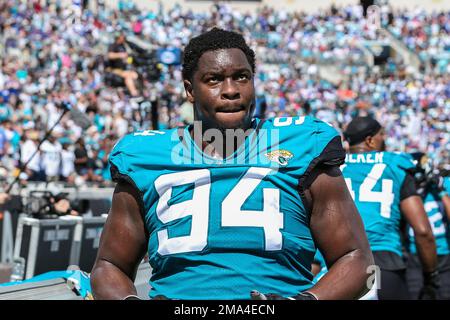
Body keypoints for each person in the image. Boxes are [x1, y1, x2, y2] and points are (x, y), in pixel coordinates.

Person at [91, 28, 373, 300]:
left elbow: (358, 261)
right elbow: (109, 265)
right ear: (190, 90)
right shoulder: (146, 156)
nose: (230, 90)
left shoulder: (302, 145)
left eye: (241, 77)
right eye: (214, 79)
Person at [341, 116, 438, 300]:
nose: (384, 139)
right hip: (384, 262)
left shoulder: (335, 167)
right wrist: (431, 277)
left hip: (338, 265)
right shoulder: (395, 163)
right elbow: (423, 231)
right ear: (370, 140)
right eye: (381, 135)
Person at [406, 153, 450, 299]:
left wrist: (442, 192)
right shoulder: (404, 189)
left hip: (443, 254)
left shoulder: (444, 185)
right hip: (414, 255)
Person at [105, 33, 141, 98]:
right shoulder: (113, 45)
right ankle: (134, 94)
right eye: (122, 36)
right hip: (114, 70)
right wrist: (120, 55)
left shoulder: (123, 46)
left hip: (124, 69)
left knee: (135, 75)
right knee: (128, 76)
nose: (124, 37)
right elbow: (109, 55)